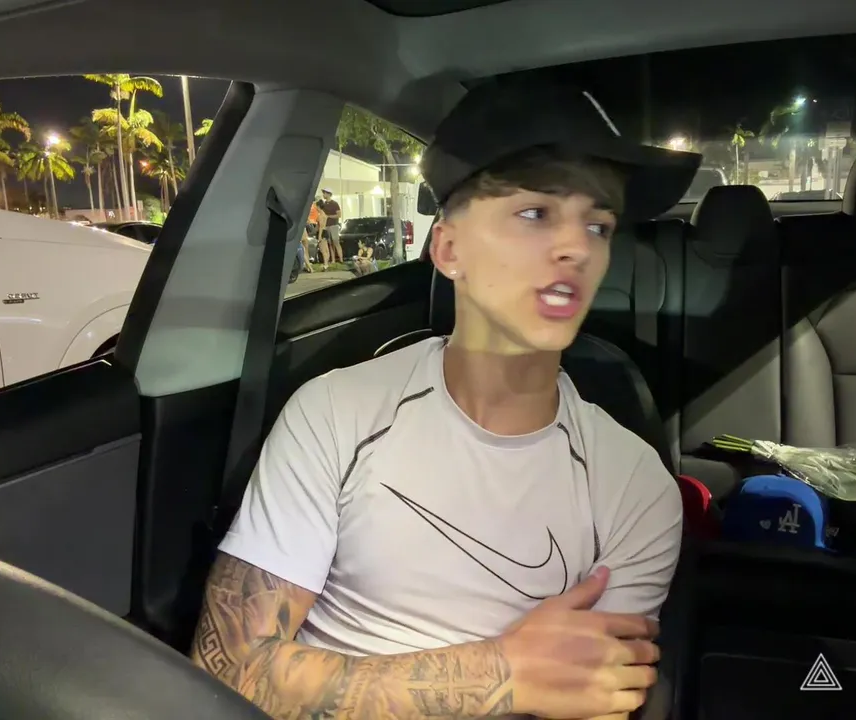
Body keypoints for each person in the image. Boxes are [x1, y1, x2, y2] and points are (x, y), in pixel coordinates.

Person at [190, 81, 699, 720]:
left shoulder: (634, 486)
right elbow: (226, 672)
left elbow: (598, 699)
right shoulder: (335, 414)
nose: (577, 247)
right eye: (535, 213)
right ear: (449, 250)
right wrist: (502, 673)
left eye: (598, 225)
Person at [317, 188, 344, 265]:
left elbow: (339, 215)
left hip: (334, 225)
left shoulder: (334, 203)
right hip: (326, 226)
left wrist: (329, 216)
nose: (323, 195)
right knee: (330, 243)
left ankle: (341, 259)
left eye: (325, 193)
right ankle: (333, 260)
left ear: (329, 194)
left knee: (336, 241)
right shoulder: (324, 205)